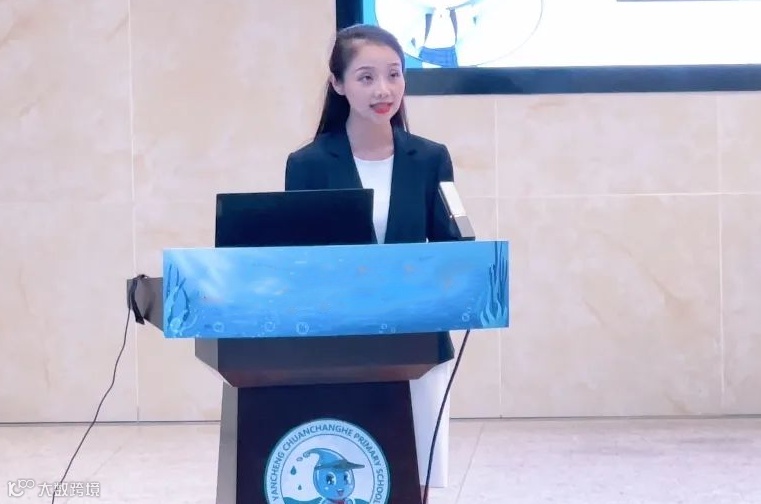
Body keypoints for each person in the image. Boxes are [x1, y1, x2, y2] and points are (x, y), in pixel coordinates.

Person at [283, 23, 461, 496]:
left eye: (394, 74)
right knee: (353, 470)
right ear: (338, 84)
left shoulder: (430, 159)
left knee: (415, 472)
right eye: (366, 77)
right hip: (340, 341)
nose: (384, 89)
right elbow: (297, 261)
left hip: (416, 337)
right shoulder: (307, 165)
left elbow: (449, 246)